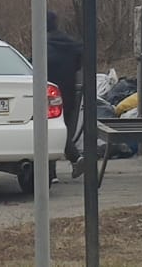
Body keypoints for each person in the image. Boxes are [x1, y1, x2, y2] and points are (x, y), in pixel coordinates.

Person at [45, 11, 83, 167]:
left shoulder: (44, 46)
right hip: (68, 94)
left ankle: (73, 159)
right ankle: (75, 159)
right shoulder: (71, 44)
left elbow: (34, 67)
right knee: (63, 129)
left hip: (49, 96)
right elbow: (79, 62)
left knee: (49, 131)